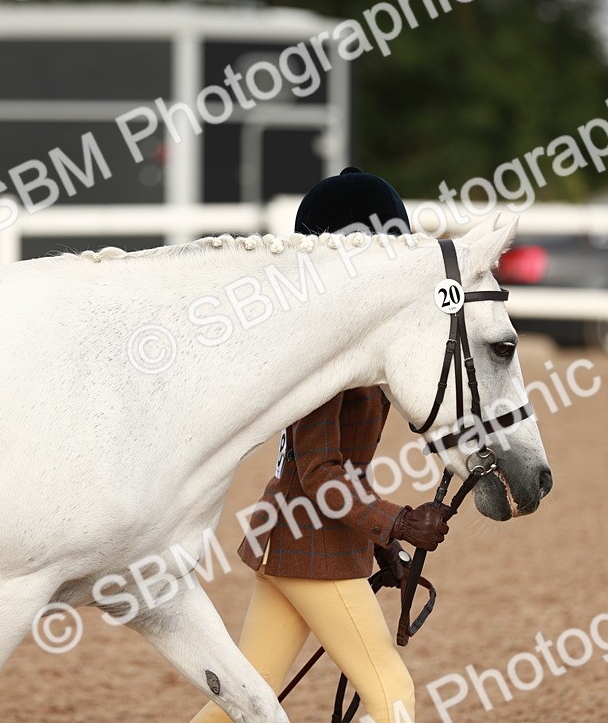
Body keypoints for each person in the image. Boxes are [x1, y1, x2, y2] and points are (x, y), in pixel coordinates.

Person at [190, 168, 452, 723]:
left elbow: (348, 472)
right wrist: (401, 522)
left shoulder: (355, 344)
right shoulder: (322, 354)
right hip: (311, 545)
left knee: (246, 700)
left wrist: (387, 552)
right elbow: (320, 475)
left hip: (295, 542)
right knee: (391, 692)